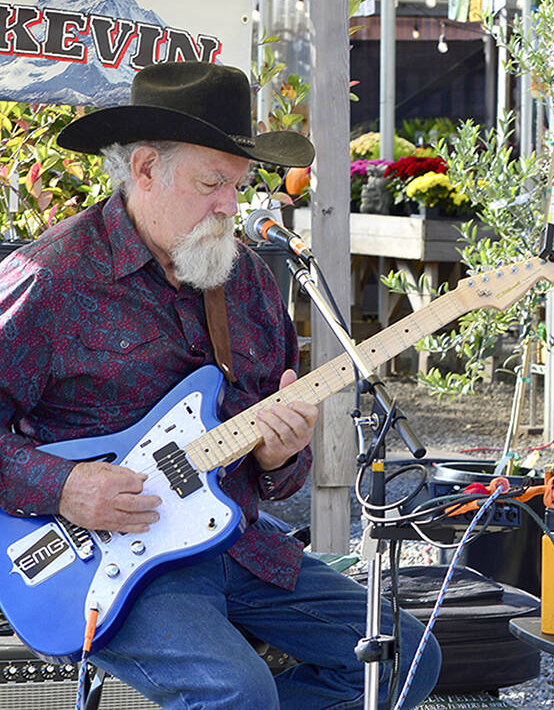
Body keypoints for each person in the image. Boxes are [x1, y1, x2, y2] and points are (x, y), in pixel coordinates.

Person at [0, 61, 441, 709]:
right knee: (237, 691)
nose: (231, 206)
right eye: (212, 183)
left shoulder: (249, 284)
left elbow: (279, 475)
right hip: (105, 565)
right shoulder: (52, 277)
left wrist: (281, 453)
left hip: (235, 541)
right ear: (146, 169)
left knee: (405, 660)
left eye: (238, 186)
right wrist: (64, 486)